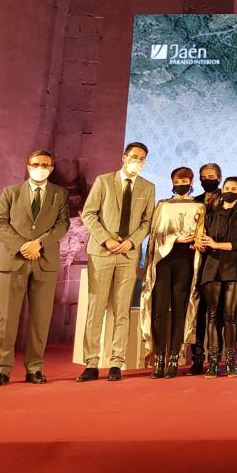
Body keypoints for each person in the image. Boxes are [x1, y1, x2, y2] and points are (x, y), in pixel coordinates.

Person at [0, 150, 71, 387]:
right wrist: (22, 246)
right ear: (28, 165)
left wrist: (39, 243)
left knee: (40, 320)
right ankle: (2, 369)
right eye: (36, 164)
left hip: (44, 262)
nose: (40, 167)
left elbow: (62, 224)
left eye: (45, 164)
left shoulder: (60, 194)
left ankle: (35, 368)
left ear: (52, 168)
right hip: (14, 261)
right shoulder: (10, 192)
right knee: (7, 319)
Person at [77, 142, 156, 382]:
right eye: (134, 157)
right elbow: (89, 213)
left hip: (128, 255)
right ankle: (91, 362)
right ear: (124, 157)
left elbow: (147, 221)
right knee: (96, 308)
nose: (137, 162)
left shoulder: (147, 187)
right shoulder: (103, 181)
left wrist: (131, 242)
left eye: (142, 159)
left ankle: (116, 362)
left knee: (122, 310)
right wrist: (106, 239)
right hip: (102, 252)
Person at [140, 167, 206, 379]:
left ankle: (175, 357)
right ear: (172, 181)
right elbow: (155, 234)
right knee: (159, 308)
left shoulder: (199, 206)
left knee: (179, 308)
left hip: (186, 260)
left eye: (185, 180)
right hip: (163, 260)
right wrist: (174, 238)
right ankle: (159, 356)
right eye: (178, 180)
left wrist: (197, 241)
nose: (182, 183)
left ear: (191, 181)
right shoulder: (163, 205)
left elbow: (201, 232)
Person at [197, 176, 237, 377]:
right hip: (212, 270)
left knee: (229, 316)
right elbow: (203, 241)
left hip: (235, 270)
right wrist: (202, 244)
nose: (229, 190)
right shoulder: (211, 216)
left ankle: (230, 361)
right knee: (212, 316)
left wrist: (216, 245)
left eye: (234, 188)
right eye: (226, 187)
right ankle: (212, 361)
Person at [189, 161, 223, 374]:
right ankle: (197, 357)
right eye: (203, 176)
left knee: (217, 313)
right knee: (198, 312)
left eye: (211, 176)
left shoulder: (229, 200)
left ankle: (216, 357)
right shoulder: (194, 202)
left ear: (219, 178)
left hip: (220, 263)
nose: (207, 180)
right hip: (198, 263)